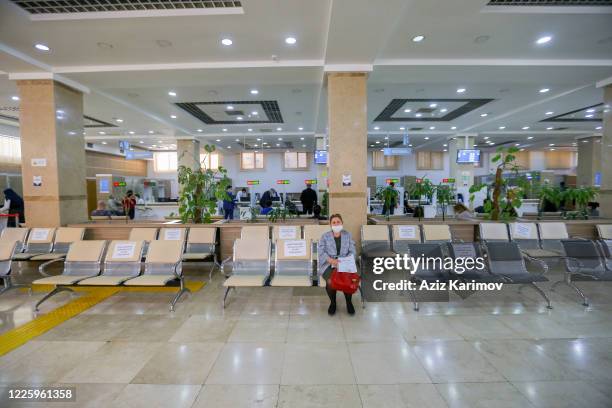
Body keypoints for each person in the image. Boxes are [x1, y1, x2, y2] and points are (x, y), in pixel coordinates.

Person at [317, 214, 357, 316]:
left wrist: (344, 261)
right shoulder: (325, 236)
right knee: (330, 282)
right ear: (330, 225)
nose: (336, 224)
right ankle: (333, 303)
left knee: (347, 280)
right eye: (333, 222)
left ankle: (349, 302)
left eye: (338, 222)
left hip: (345, 263)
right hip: (329, 264)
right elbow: (321, 251)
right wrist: (330, 260)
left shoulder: (347, 235)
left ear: (342, 223)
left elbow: (353, 250)